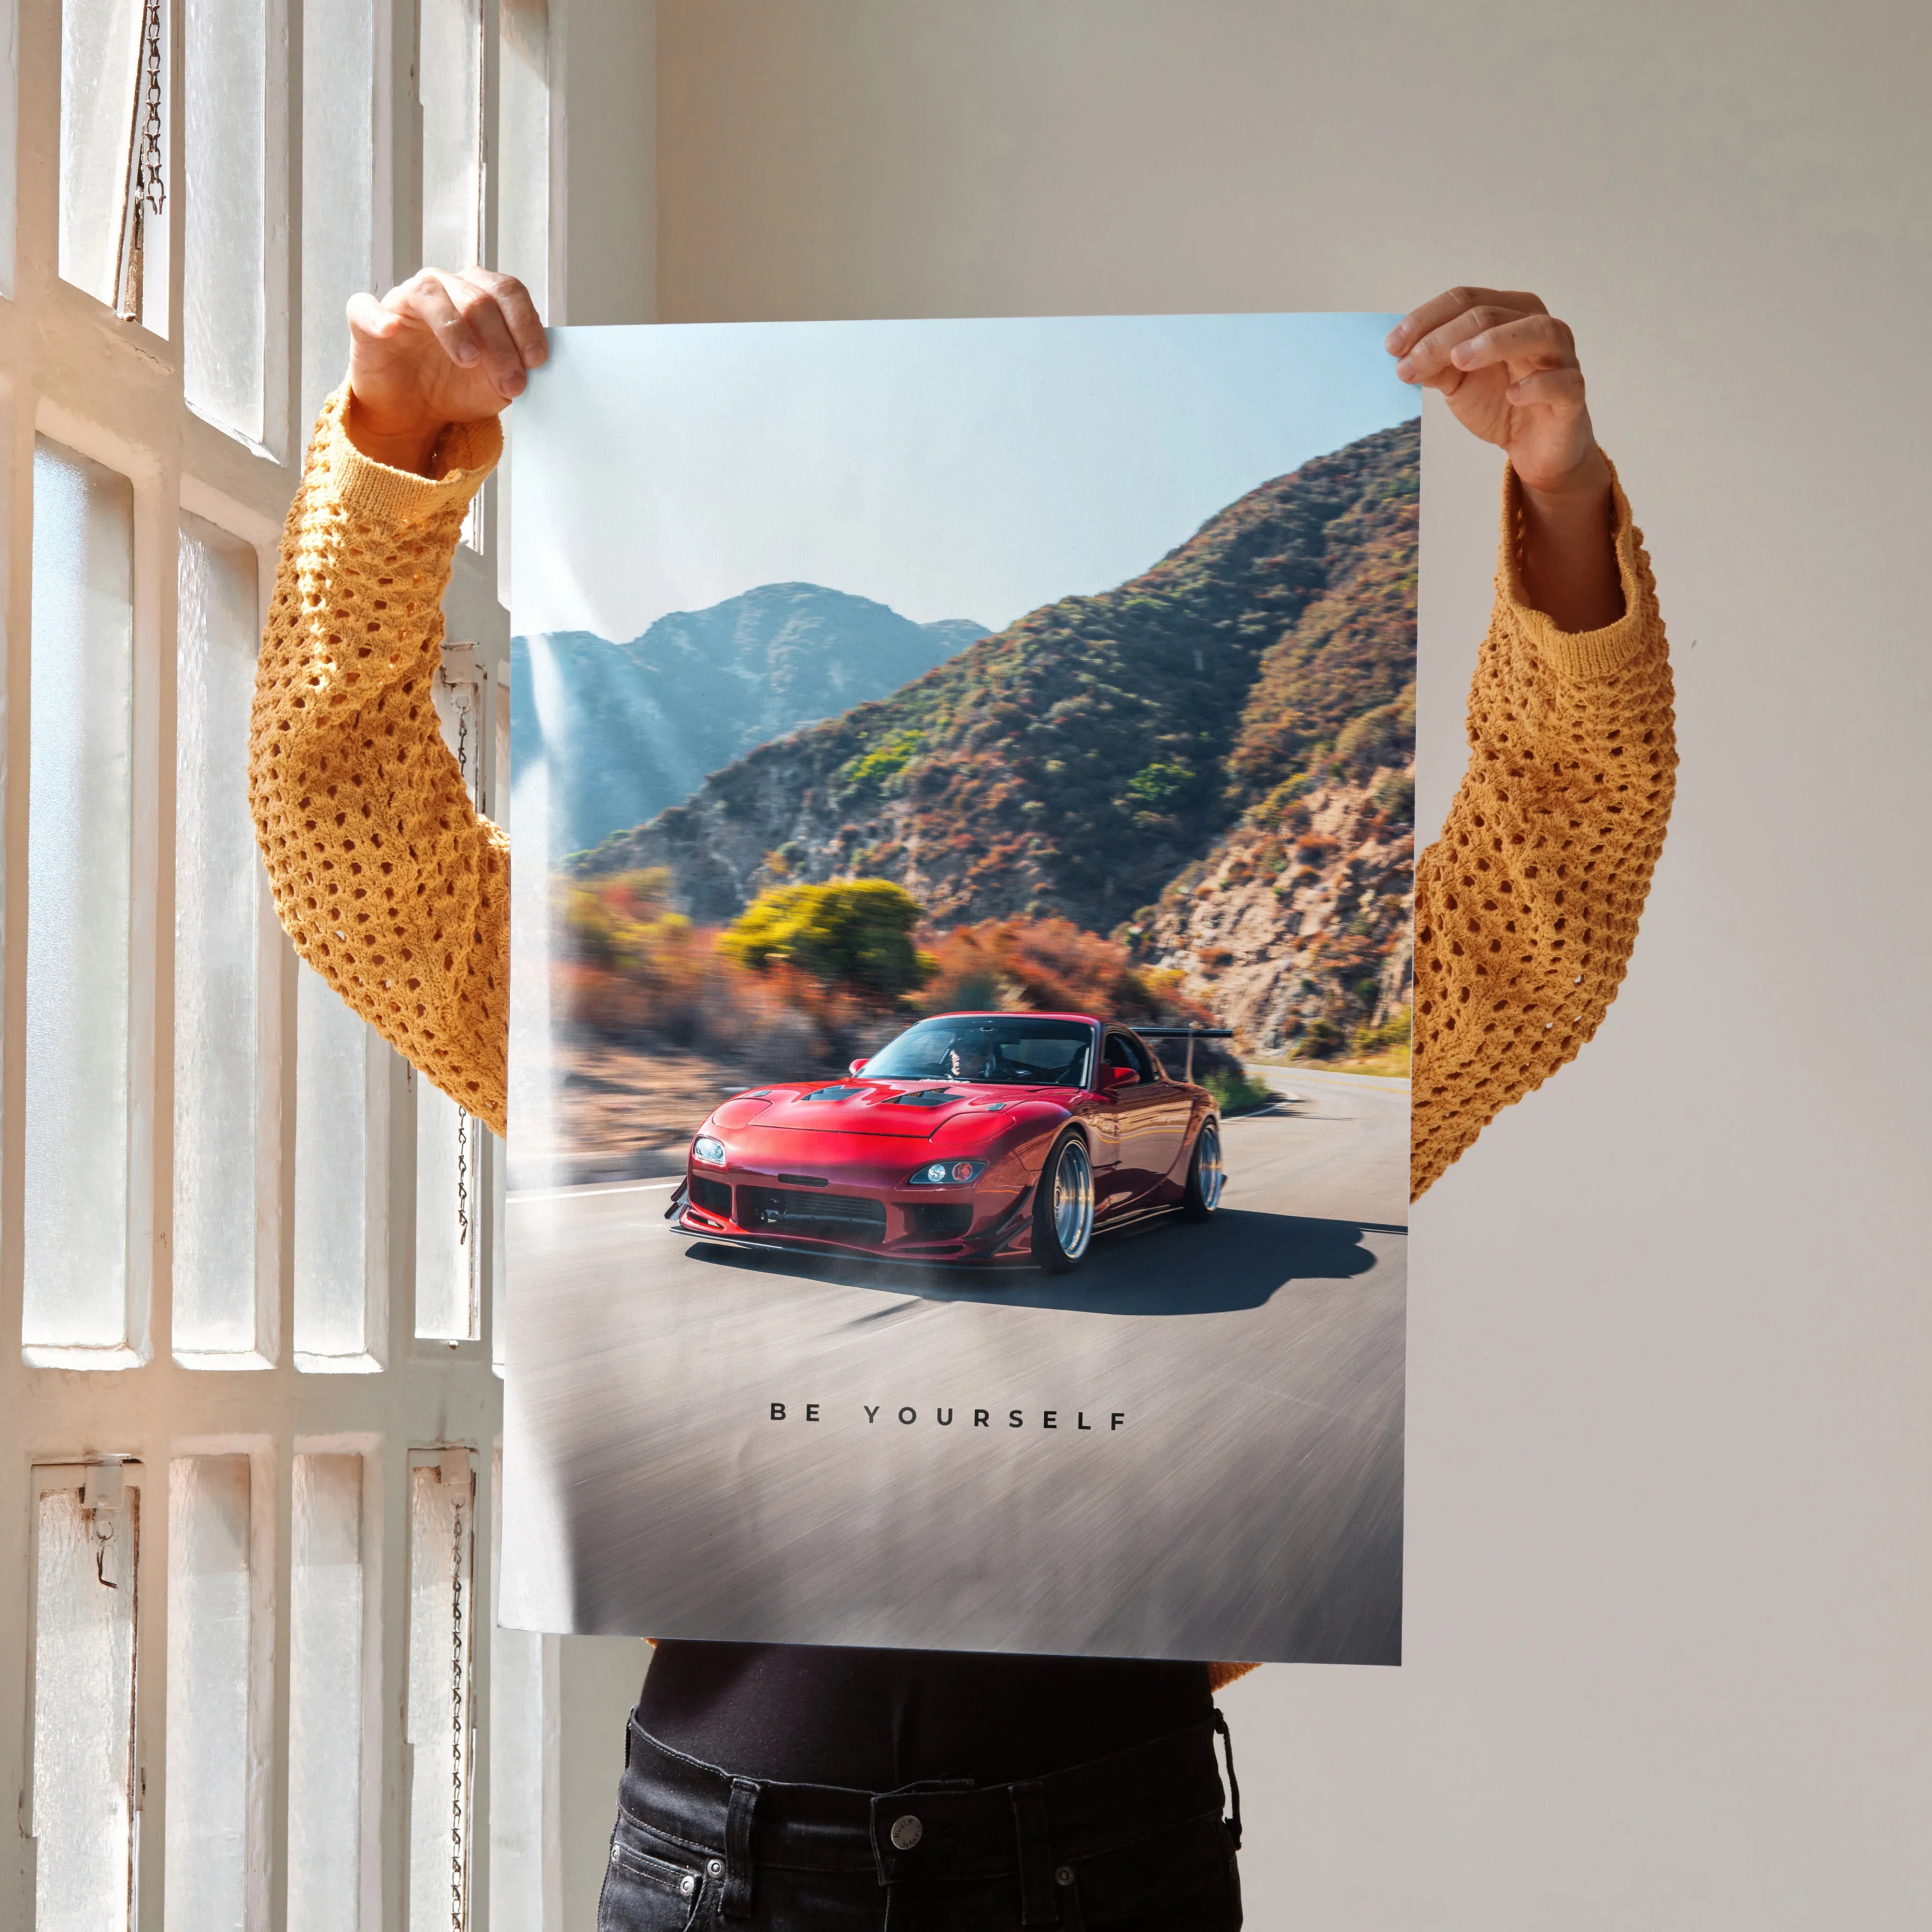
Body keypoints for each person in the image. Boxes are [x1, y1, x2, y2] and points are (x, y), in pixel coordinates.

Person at [249, 272, 1675, 1929]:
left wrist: (1559, 497)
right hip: (721, 1862)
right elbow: (349, 851)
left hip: (1102, 1855)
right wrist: (391, 448)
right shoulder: (637, 1054)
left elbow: (1549, 910)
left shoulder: (1176, 1113)